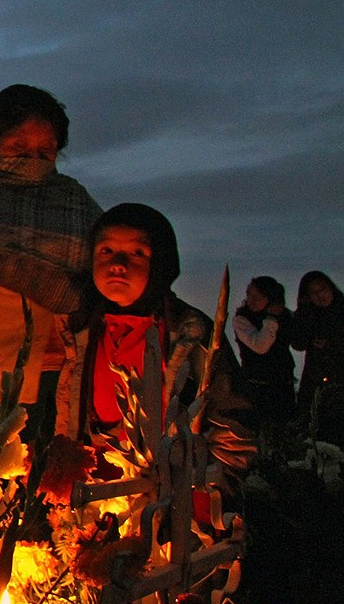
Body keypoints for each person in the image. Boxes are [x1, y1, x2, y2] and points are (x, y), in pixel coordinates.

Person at [0, 84, 102, 523]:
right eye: (18, 147)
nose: (32, 161)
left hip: (52, 377)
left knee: (42, 512)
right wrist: (54, 282)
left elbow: (99, 272)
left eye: (46, 153)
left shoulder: (73, 200)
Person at [54, 204, 255, 496]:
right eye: (106, 250)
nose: (118, 263)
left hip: (170, 496)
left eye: (137, 253)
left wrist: (208, 491)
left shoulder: (191, 334)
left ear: (160, 261)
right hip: (93, 494)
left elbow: (234, 427)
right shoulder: (75, 332)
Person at [231, 276, 296, 435]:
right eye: (249, 295)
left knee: (285, 430)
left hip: (283, 384)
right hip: (257, 387)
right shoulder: (242, 319)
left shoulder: (285, 316)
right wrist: (271, 319)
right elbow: (260, 346)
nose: (251, 300)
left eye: (258, 297)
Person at [290, 270, 344, 444]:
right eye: (314, 293)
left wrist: (332, 344)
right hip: (315, 380)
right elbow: (298, 343)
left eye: (322, 289)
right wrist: (305, 312)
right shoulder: (310, 315)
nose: (321, 296)